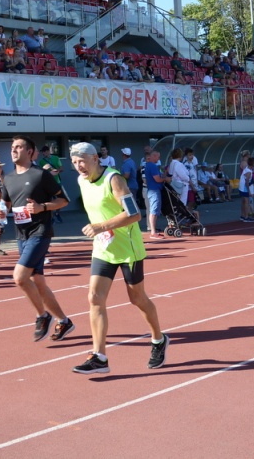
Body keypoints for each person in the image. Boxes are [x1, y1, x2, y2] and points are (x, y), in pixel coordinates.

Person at [69, 143, 167, 374]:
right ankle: (99, 356)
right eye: (74, 162)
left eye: (82, 160)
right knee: (94, 297)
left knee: (137, 299)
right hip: (104, 248)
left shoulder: (114, 180)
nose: (78, 166)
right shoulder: (82, 181)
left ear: (95, 158)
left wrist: (101, 226)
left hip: (128, 248)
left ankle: (158, 339)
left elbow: (134, 214)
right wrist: (101, 231)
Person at [0, 136, 74, 342]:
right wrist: (2, 211)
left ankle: (42, 315)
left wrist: (43, 207)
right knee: (38, 281)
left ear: (30, 152)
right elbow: (5, 203)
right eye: (12, 147)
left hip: (40, 231)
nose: (14, 150)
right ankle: (64, 321)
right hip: (21, 234)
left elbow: (63, 200)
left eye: (19, 147)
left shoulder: (41, 175)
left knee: (20, 277)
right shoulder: (9, 177)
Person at [37, 145, 63, 223]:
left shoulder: (56, 158)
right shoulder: (41, 161)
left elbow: (61, 168)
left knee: (60, 199)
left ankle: (57, 213)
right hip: (47, 183)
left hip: (57, 181)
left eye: (44, 151)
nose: (43, 153)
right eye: (42, 152)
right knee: (49, 200)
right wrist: (48, 173)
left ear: (48, 151)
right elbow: (41, 172)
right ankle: (51, 218)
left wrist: (57, 171)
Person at [143, 150, 166, 238]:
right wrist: (164, 179)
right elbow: (157, 179)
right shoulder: (152, 166)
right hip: (154, 190)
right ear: (154, 156)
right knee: (153, 210)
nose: (159, 158)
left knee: (155, 210)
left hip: (153, 190)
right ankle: (153, 231)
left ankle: (153, 230)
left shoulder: (149, 165)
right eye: (158, 157)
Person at [239, 157, 254, 222]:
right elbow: (247, 182)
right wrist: (249, 191)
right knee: (247, 202)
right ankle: (246, 217)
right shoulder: (249, 172)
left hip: (241, 186)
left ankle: (242, 216)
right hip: (244, 187)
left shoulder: (247, 169)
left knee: (243, 201)